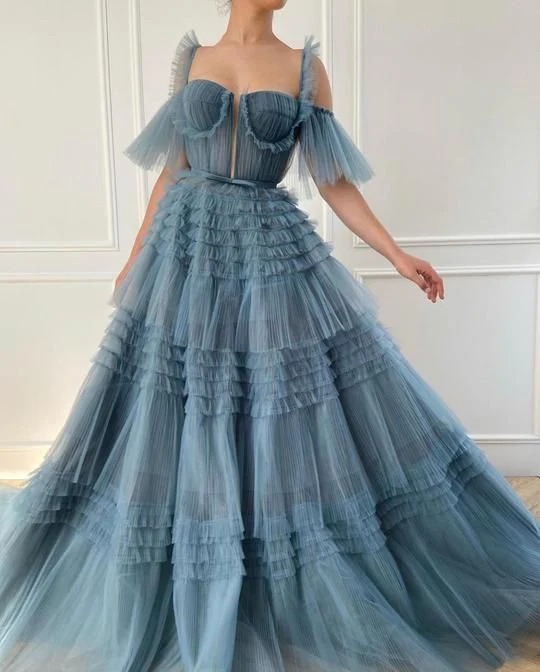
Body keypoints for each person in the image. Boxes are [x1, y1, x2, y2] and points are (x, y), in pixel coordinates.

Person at [0, 1, 539, 670]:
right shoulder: (191, 58)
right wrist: (135, 256)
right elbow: (171, 171)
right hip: (184, 253)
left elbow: (332, 180)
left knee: (276, 409)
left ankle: (271, 566)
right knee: (170, 408)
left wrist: (398, 255)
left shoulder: (305, 69)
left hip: (269, 255)